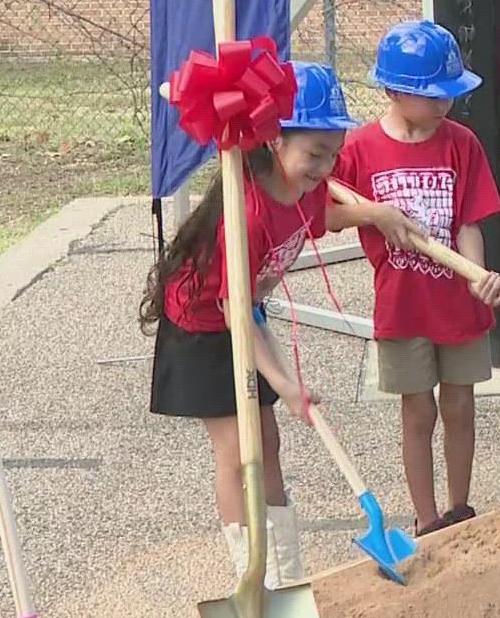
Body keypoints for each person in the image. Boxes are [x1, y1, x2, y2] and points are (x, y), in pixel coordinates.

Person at [140, 61, 356, 590]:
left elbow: (333, 209)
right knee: (239, 452)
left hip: (243, 313)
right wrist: (285, 383)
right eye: (314, 154)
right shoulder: (249, 210)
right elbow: (233, 309)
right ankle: (251, 575)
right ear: (274, 142)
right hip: (203, 324)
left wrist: (382, 218)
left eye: (333, 154)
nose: (325, 168)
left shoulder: (305, 188)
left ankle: (285, 569)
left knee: (268, 439)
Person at [328, 20, 500, 537]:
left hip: (458, 302)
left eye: (450, 95)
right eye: (433, 96)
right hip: (402, 304)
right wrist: (376, 215)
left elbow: (469, 220)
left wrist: (477, 275)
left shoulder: (462, 144)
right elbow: (325, 212)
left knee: (460, 402)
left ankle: (459, 508)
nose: (444, 106)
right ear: (392, 91)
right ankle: (426, 517)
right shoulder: (360, 149)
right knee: (416, 412)